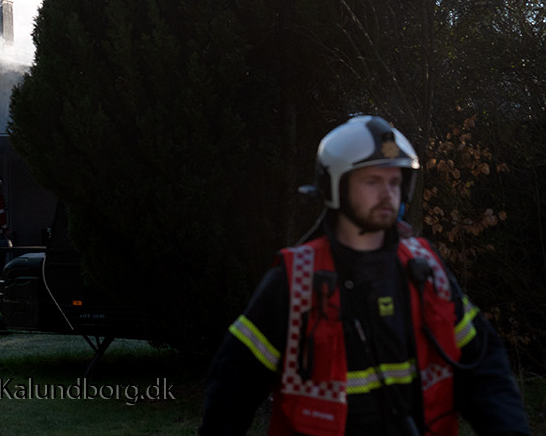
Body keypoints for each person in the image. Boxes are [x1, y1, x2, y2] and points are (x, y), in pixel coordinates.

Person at [200, 115, 530, 436]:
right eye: (373, 181)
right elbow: (231, 392)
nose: (388, 194)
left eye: (395, 182)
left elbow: (486, 370)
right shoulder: (295, 280)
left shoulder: (427, 270)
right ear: (335, 186)